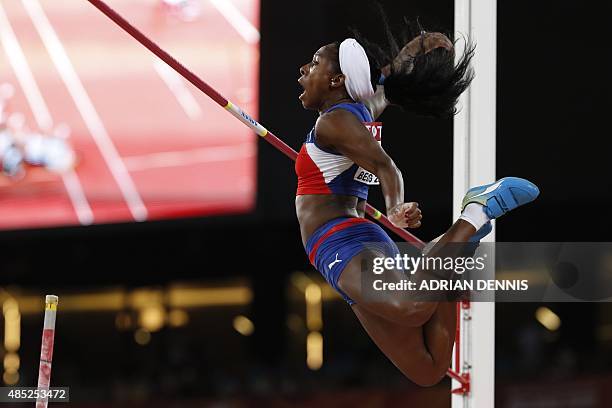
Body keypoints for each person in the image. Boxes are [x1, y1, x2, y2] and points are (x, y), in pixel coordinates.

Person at [295, 24, 539, 386]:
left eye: (314, 63)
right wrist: (412, 52)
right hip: (340, 248)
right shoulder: (358, 112)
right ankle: (449, 258)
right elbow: (383, 89)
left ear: (336, 81)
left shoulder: (336, 122)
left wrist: (394, 208)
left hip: (344, 242)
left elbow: (385, 167)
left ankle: (475, 213)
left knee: (412, 308)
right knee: (427, 370)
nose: (303, 70)